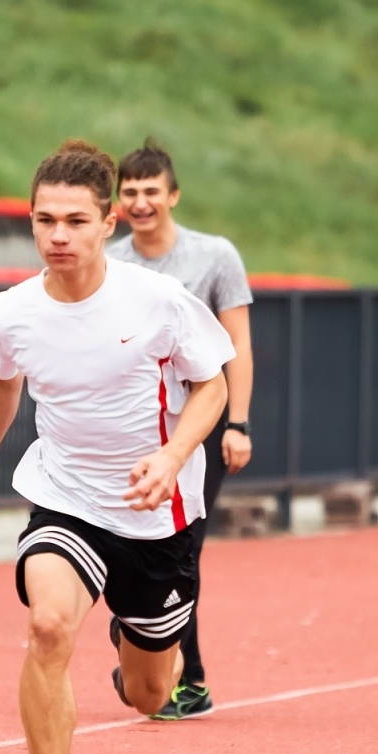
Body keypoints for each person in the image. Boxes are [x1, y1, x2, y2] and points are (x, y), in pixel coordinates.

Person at [0, 139, 234, 754]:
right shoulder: (11, 312)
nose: (58, 237)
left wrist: (175, 458)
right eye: (45, 220)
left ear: (108, 221)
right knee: (47, 626)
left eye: (75, 221)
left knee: (149, 694)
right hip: (67, 498)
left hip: (158, 516)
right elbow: (0, 382)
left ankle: (133, 650)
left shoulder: (158, 302)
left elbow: (215, 385)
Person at [108, 139, 254, 720]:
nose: (142, 202)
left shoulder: (214, 257)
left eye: (151, 192)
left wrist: (237, 422)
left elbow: (237, 345)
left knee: (181, 549)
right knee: (123, 544)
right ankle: (145, 643)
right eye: (131, 192)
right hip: (131, 429)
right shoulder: (111, 261)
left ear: (173, 195)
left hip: (197, 426)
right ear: (119, 201)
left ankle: (187, 678)